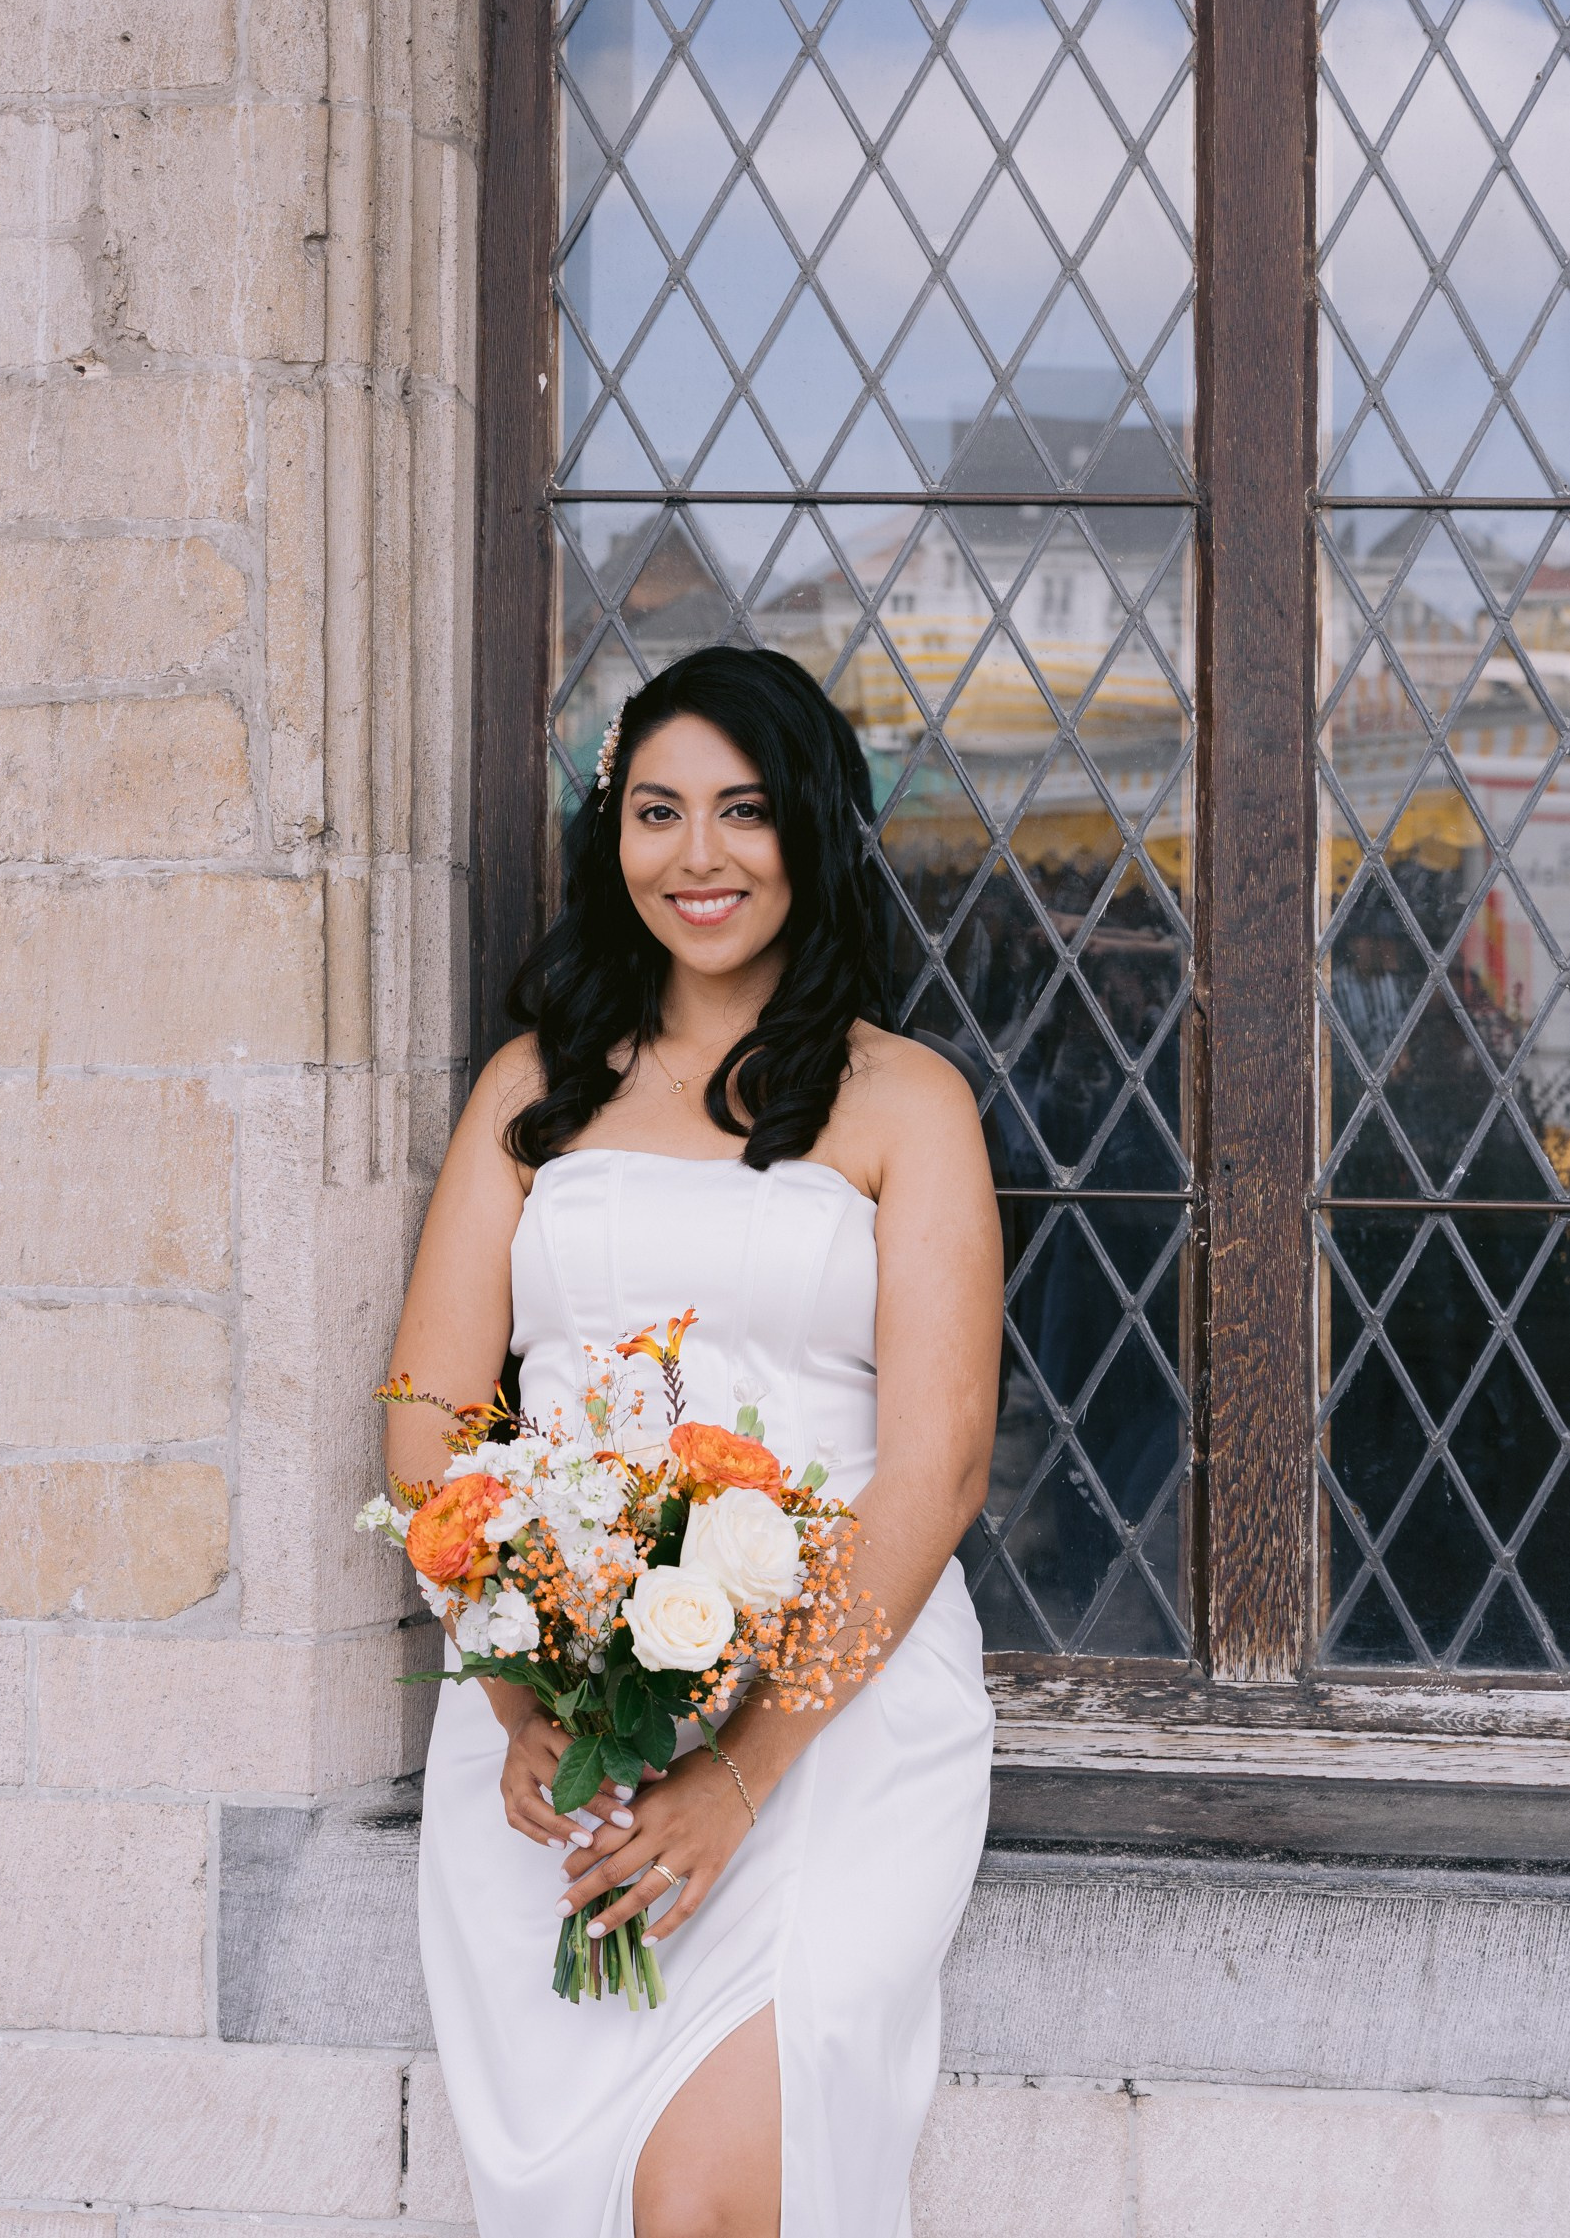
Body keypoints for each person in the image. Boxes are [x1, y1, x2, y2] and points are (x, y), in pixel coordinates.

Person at [385, 645, 1002, 2238]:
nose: (699, 854)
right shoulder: (533, 1089)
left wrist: (737, 1771)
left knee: (714, 2204)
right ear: (614, 837)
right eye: (657, 811)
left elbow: (936, 1467)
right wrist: (530, 1699)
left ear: (807, 829)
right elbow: (425, 1426)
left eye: (741, 811)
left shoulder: (901, 1099)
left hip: (834, 1702)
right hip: (563, 1715)